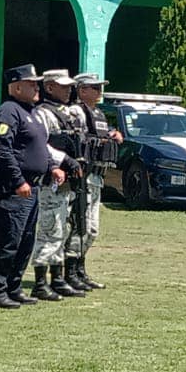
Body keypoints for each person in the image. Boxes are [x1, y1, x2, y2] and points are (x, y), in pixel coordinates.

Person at [0, 64, 64, 308]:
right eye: (31, 84)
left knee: (25, 241)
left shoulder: (31, 112)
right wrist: (18, 181)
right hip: (15, 188)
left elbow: (39, 146)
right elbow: (5, 151)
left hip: (34, 188)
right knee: (10, 240)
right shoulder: (9, 111)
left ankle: (14, 286)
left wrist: (52, 166)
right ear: (16, 87)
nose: (36, 87)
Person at [28, 69, 84, 301]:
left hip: (67, 182)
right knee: (49, 228)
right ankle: (40, 281)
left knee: (64, 228)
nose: (68, 89)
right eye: (63, 86)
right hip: (51, 180)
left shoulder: (68, 113)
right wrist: (63, 161)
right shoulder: (42, 114)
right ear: (49, 87)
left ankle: (57, 277)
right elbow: (41, 145)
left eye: (69, 85)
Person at [66, 72, 123, 291]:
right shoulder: (76, 112)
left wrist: (112, 135)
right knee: (80, 225)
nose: (99, 91)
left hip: (97, 176)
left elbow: (101, 134)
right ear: (81, 90)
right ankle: (70, 271)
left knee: (92, 229)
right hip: (82, 177)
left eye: (100, 87)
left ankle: (80, 268)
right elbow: (74, 139)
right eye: (94, 87)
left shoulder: (98, 113)